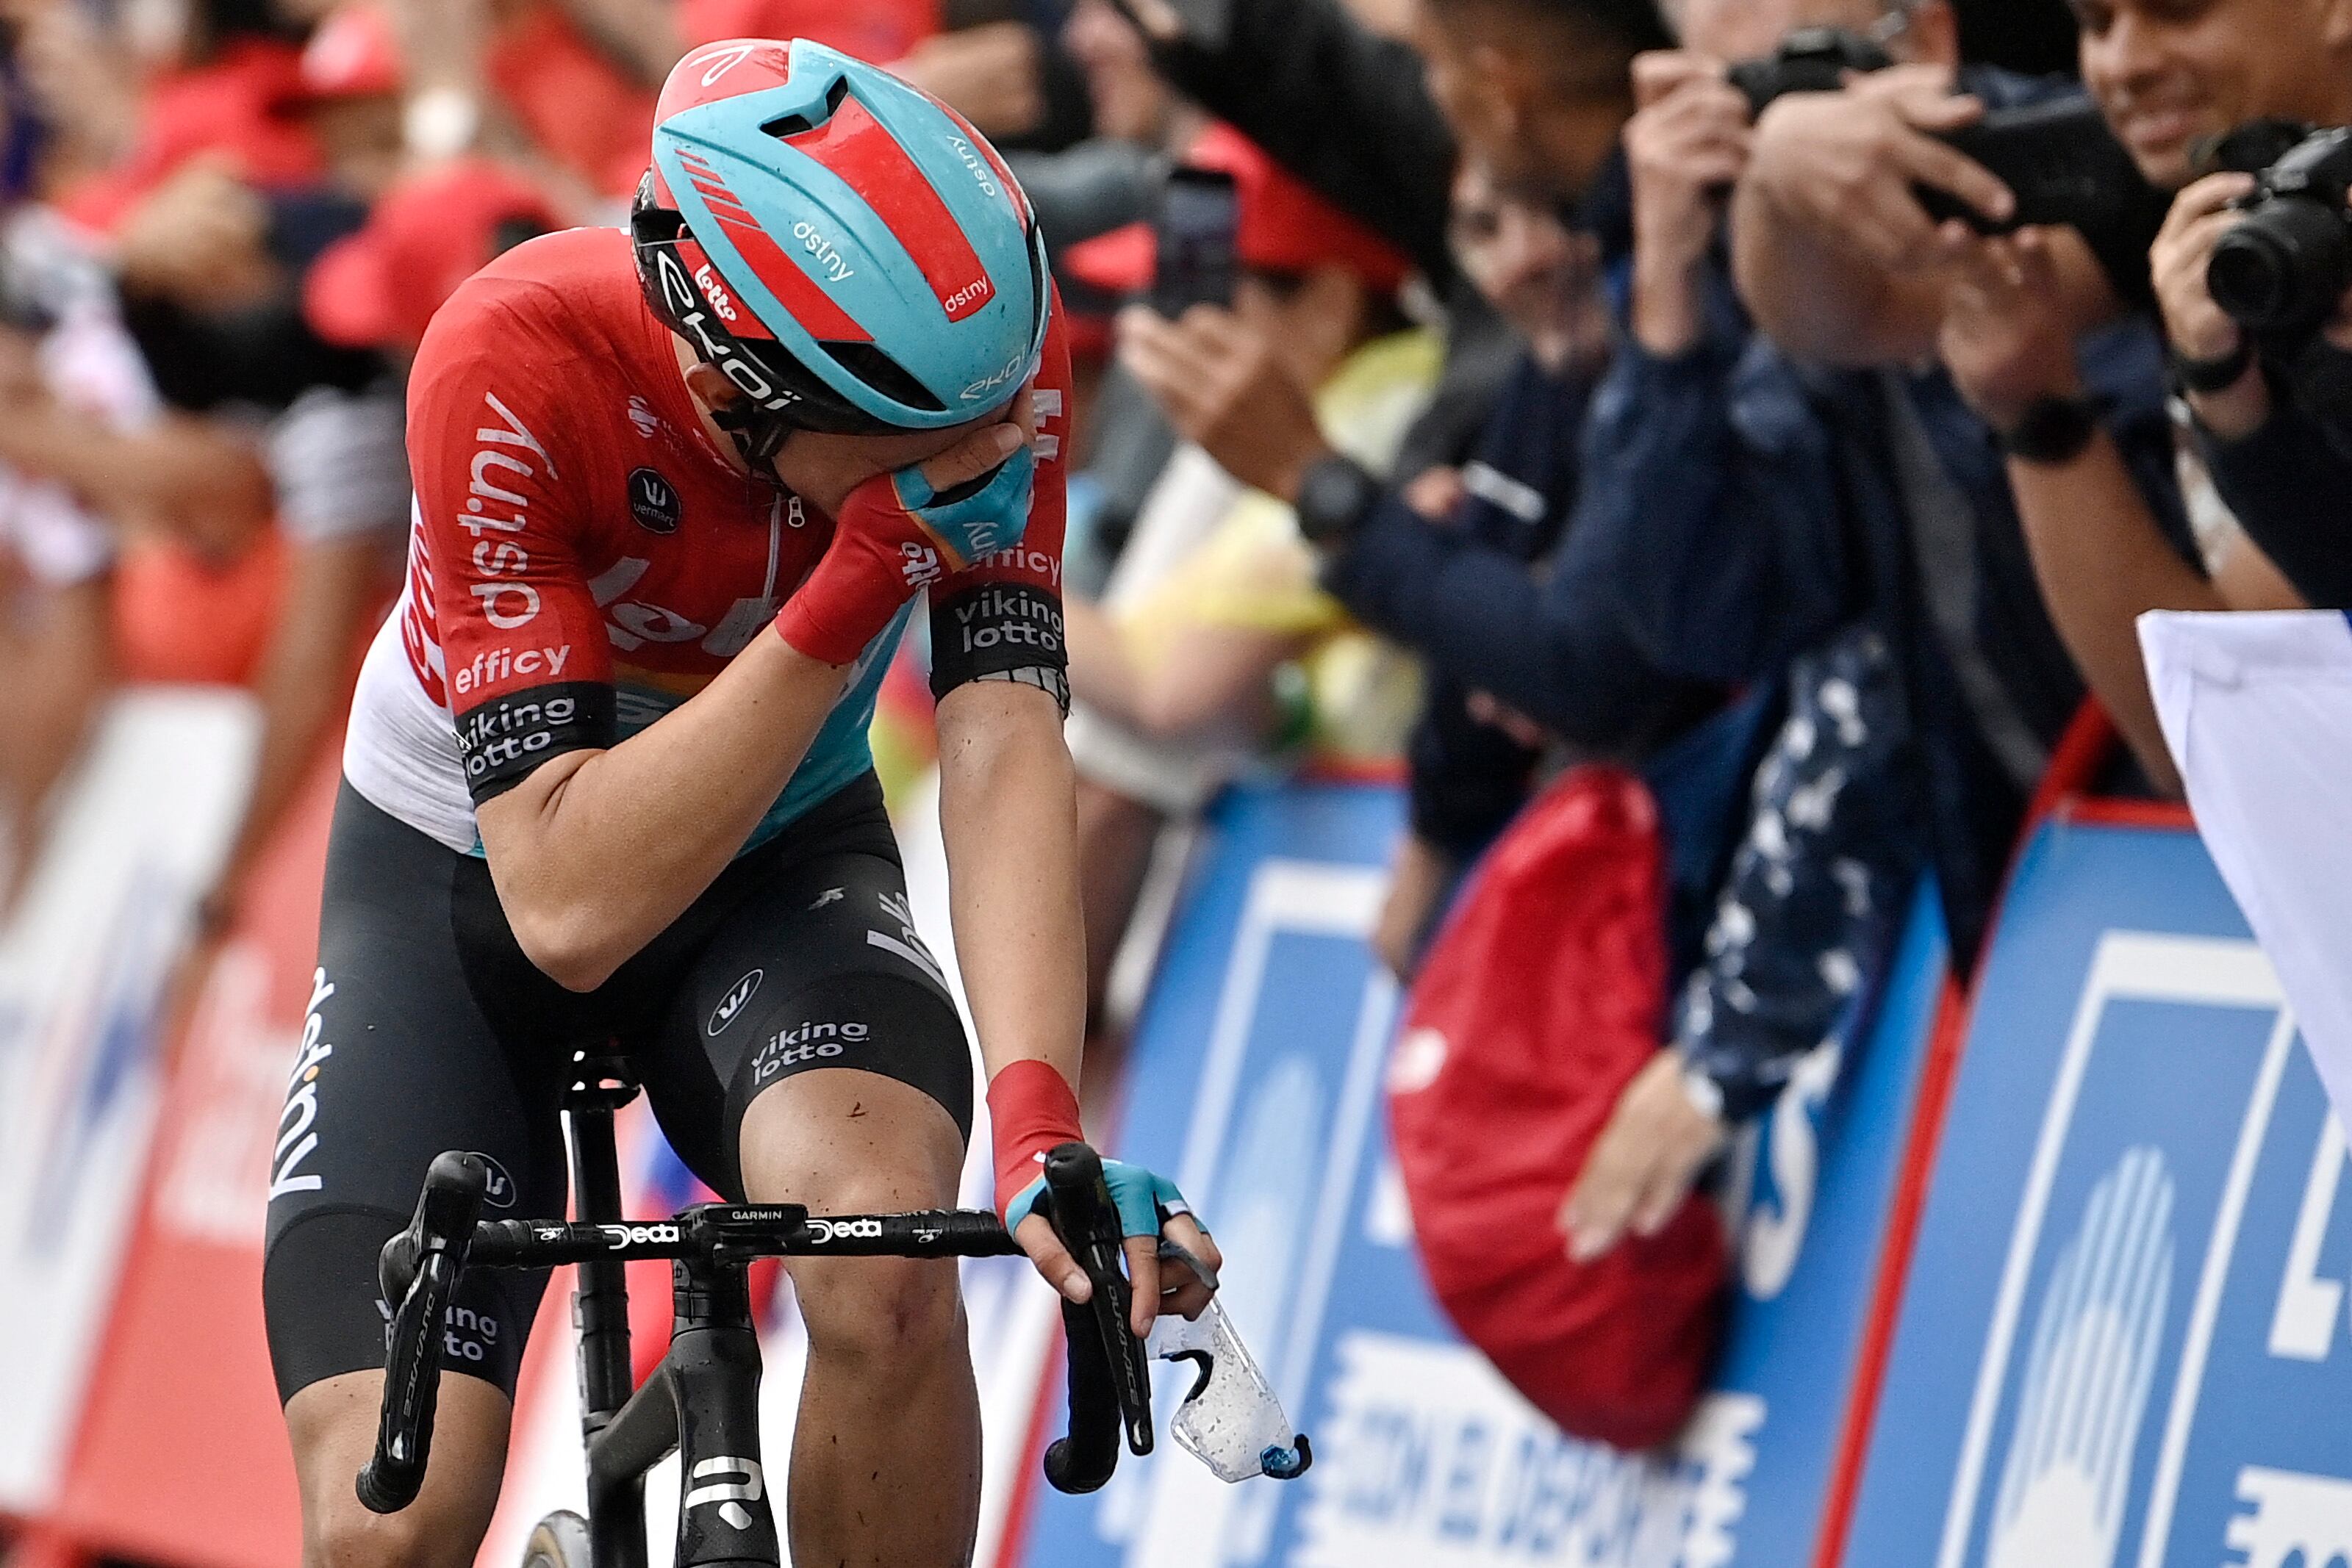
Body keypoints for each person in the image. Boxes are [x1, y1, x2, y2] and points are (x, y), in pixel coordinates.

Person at [261, 40, 1215, 1568]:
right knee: (395, 1520)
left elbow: (1002, 730)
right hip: (469, 870)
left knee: (885, 1259)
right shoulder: (512, 358)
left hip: (781, 861)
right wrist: (854, 583)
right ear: (736, 380)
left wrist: (1043, 1119)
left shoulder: (976, 367)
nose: (977, 459)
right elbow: (566, 905)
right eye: (914, 451)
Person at [1731, 0, 2352, 796]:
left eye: (2176, 12)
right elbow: (1848, 318)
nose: (2124, 63)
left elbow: (2260, 739)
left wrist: (2061, 423)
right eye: (2094, 23)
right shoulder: (2210, 185)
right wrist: (1778, 175)